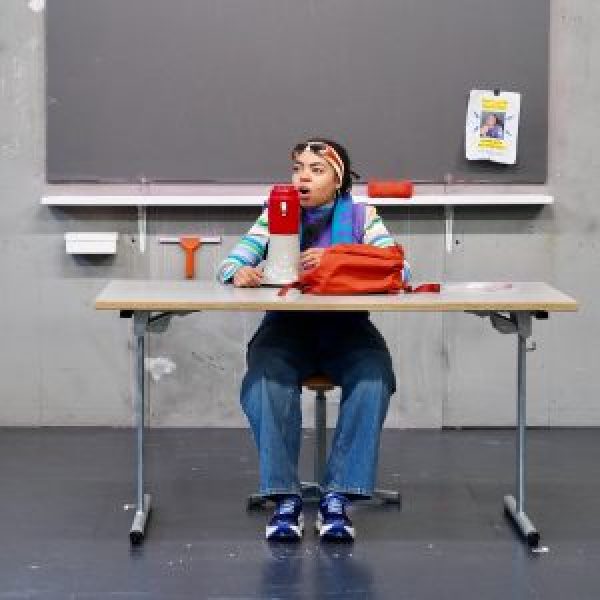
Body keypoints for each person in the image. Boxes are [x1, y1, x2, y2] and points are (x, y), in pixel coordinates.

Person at [217, 138, 408, 542]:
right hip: (286, 329)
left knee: (374, 377)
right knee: (264, 381)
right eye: (297, 168)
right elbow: (230, 262)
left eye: (316, 170)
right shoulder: (274, 213)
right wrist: (239, 272)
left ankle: (338, 496)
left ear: (338, 180)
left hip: (347, 329)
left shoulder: (363, 216)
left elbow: (399, 270)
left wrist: (338, 260)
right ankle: (285, 497)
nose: (302, 177)